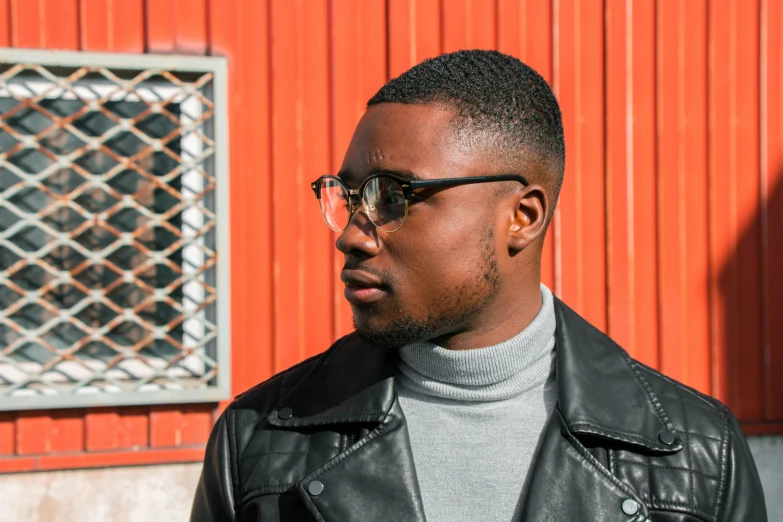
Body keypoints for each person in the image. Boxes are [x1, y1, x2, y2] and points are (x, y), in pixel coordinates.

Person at [190, 50, 766, 522]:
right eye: (349, 195)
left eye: (393, 196)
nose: (352, 237)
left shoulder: (693, 455)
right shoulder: (259, 442)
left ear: (523, 216)